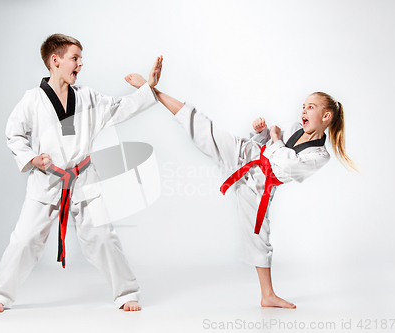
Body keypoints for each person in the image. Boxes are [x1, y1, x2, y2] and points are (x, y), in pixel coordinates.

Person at [125, 73, 356, 309]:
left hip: (259, 186)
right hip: (247, 154)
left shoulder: (319, 155)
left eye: (311, 107)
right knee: (203, 125)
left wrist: (275, 138)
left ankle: (268, 295)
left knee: (258, 236)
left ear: (326, 116)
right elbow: (266, 141)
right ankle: (152, 90)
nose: (304, 111)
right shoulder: (296, 127)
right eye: (303, 106)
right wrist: (262, 131)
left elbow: (288, 165)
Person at [0, 34, 163, 313]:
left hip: (83, 180)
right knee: (24, 240)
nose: (81, 63)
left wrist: (149, 88)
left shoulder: (88, 97)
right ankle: (0, 295)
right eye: (75, 58)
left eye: (80, 58)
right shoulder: (32, 99)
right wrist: (32, 158)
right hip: (47, 181)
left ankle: (126, 293)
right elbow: (14, 134)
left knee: (104, 237)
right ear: (55, 61)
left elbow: (119, 108)